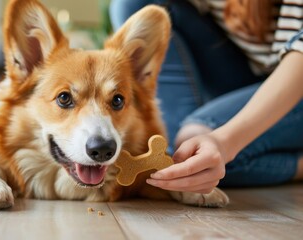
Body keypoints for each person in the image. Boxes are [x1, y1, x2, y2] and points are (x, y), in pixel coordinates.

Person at [109, 0, 303, 193]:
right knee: (133, 3)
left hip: (296, 79)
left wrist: (224, 143)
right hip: (252, 73)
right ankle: (186, 137)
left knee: (207, 165)